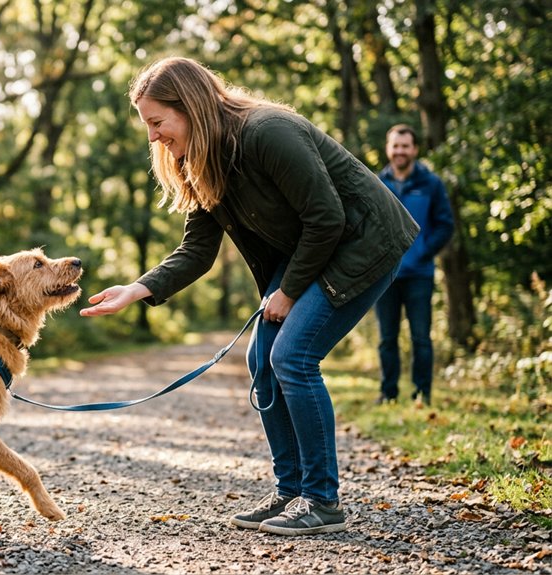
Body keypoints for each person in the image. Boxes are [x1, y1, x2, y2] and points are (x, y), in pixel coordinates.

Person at [79, 57, 419, 536]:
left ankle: (322, 501)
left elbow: (327, 217)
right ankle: (291, 490)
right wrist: (138, 289)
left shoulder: (269, 132)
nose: (152, 137)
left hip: (361, 240)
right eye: (147, 126)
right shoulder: (200, 160)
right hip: (310, 246)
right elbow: (197, 249)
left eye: (157, 122)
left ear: (190, 108)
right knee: (262, 360)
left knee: (294, 357)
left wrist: (289, 290)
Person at [374, 124, 455, 407]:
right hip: (383, 275)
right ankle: (389, 394)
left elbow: (445, 225)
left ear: (415, 149)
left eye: (405, 146)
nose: (400, 151)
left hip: (419, 274)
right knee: (387, 339)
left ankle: (422, 394)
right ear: (388, 148)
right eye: (395, 146)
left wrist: (423, 252)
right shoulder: (376, 182)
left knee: (421, 338)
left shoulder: (431, 183)